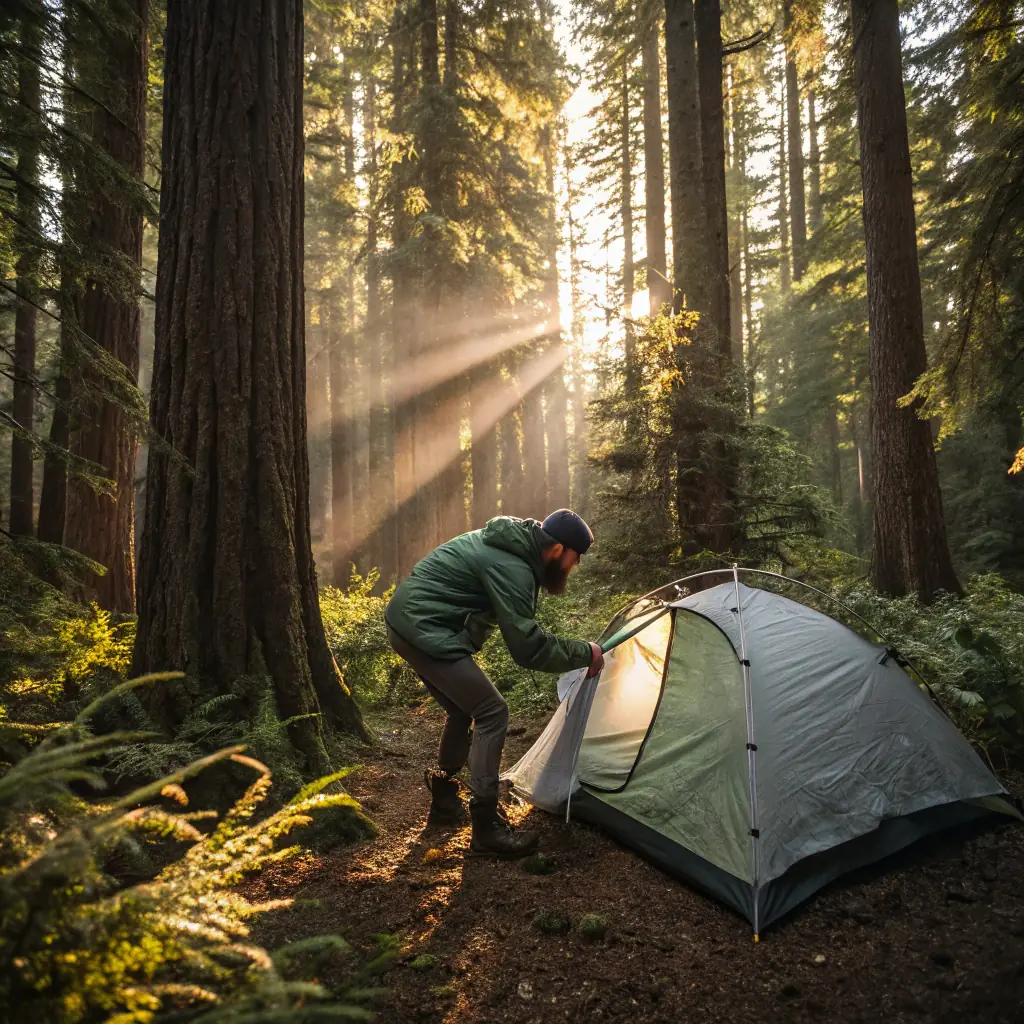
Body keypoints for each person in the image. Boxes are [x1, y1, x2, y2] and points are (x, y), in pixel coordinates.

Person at [385, 509, 603, 858]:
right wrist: (585, 653)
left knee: (461, 709)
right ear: (559, 549)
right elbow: (528, 646)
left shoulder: (512, 546)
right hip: (423, 628)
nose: (572, 568)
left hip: (408, 621)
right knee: (492, 711)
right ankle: (486, 830)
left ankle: (444, 802)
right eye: (574, 559)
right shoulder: (512, 566)